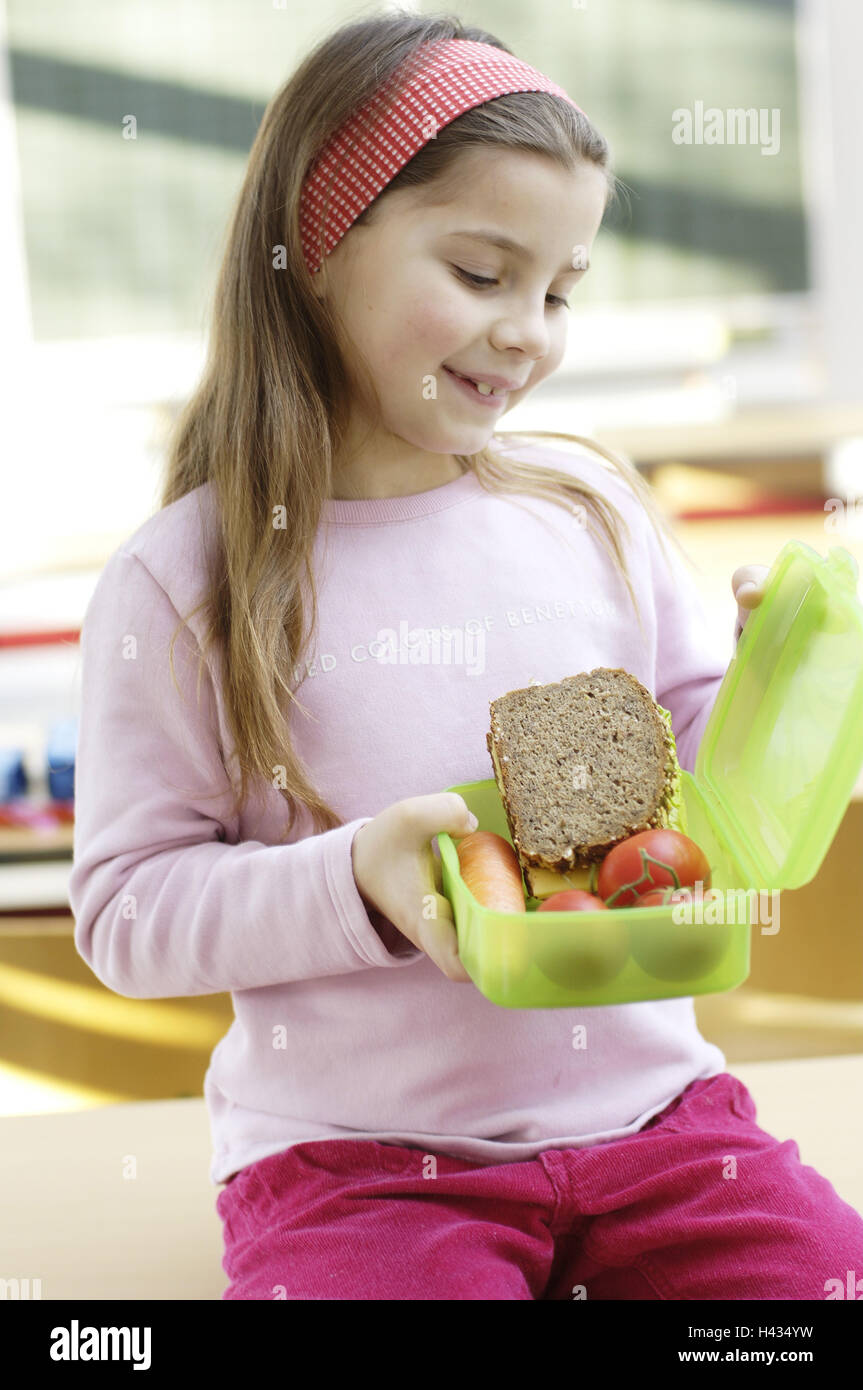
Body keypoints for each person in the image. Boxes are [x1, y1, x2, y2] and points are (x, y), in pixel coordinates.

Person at [68, 11, 863, 1301]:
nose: (529, 333)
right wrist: (356, 881)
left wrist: (781, 683)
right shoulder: (187, 578)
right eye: (484, 275)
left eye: (559, 291)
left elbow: (704, 801)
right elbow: (124, 911)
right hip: (357, 1163)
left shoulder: (592, 506)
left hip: (662, 1126)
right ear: (320, 245)